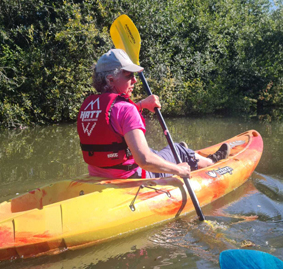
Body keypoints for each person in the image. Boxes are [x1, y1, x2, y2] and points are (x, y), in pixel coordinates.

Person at [77, 49, 230, 179]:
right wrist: (179, 170)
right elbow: (144, 160)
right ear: (111, 79)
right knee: (178, 149)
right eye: (129, 75)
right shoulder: (125, 110)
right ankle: (211, 162)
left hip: (100, 175)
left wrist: (141, 105)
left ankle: (174, 153)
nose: (135, 80)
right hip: (132, 177)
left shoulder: (88, 107)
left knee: (150, 150)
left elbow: (112, 120)